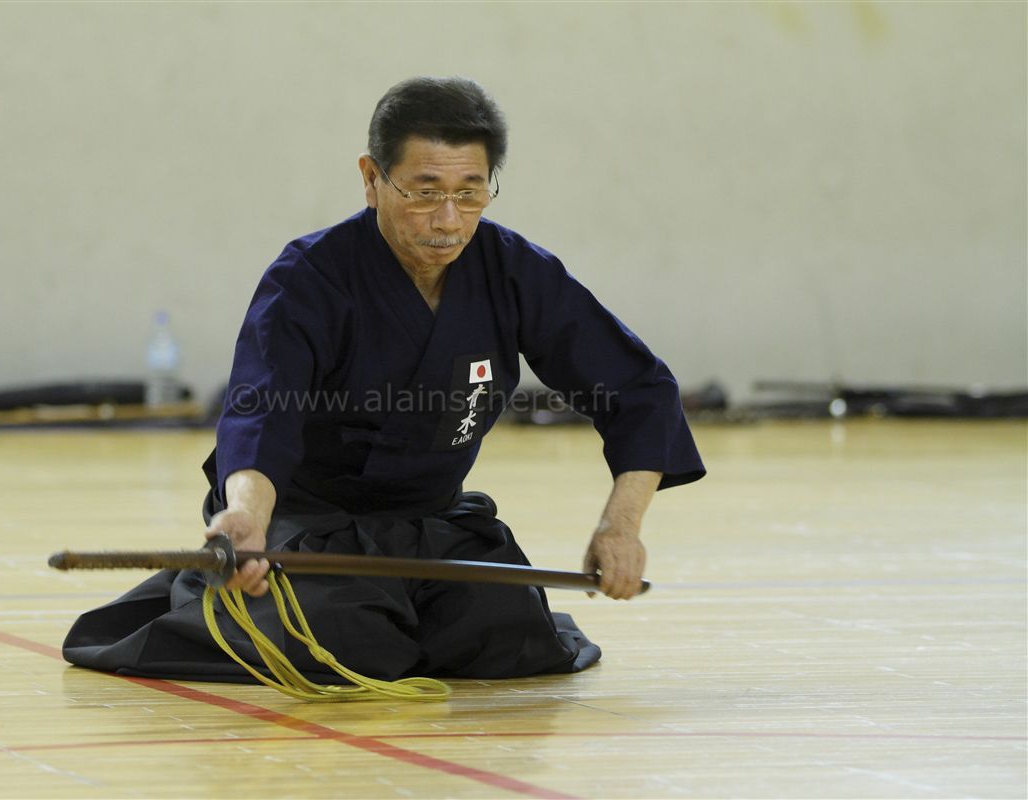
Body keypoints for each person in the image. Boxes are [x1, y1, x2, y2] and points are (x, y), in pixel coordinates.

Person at [62, 76, 705, 683]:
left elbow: (639, 388)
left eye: (470, 192)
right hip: (307, 525)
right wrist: (247, 516)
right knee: (347, 641)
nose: (449, 219)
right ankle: (211, 599)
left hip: (433, 523)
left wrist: (621, 526)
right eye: (425, 192)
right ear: (372, 179)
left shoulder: (513, 271)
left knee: (506, 635)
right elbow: (261, 412)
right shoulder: (310, 276)